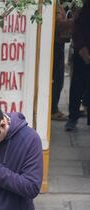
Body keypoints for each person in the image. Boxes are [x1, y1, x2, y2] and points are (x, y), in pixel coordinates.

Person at [65, 0, 90, 131]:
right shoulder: (86, 8)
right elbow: (77, 28)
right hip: (83, 52)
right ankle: (72, 117)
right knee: (78, 85)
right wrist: (81, 48)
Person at [52, 1, 74, 121]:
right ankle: (53, 110)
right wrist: (72, 21)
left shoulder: (57, 5)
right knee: (57, 79)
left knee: (58, 79)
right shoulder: (54, 5)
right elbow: (58, 24)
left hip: (58, 44)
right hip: (56, 45)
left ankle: (54, 108)